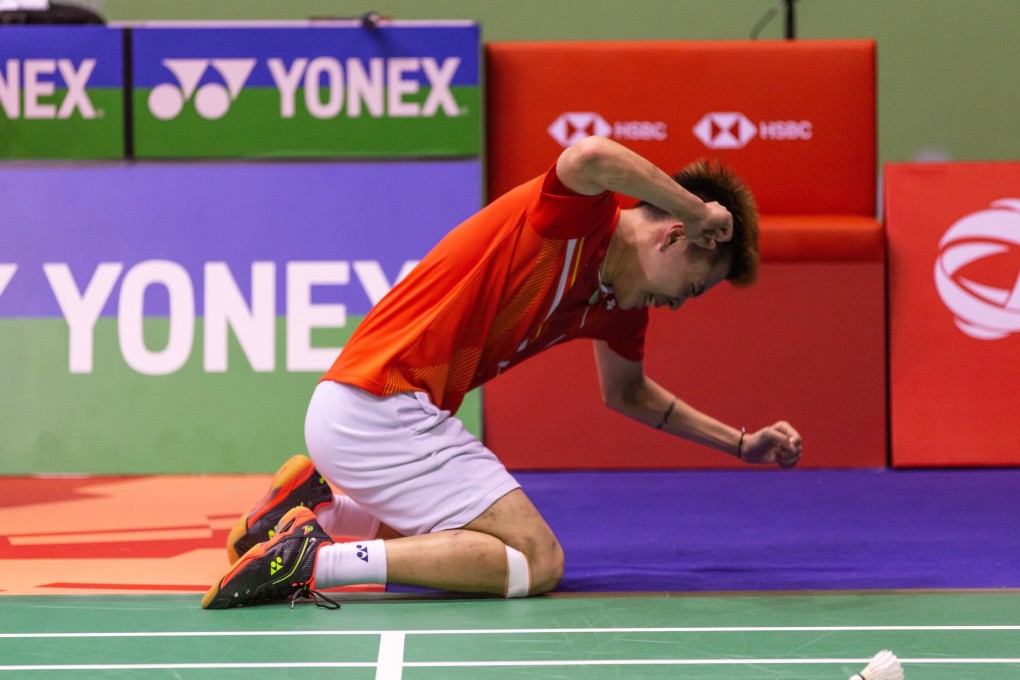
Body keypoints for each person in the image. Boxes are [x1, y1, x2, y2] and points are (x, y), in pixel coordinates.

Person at [202, 135, 803, 609]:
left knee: (456, 551)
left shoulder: (618, 305)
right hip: (384, 405)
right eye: (691, 289)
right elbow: (590, 154)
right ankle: (313, 560)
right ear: (676, 235)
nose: (677, 305)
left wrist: (741, 443)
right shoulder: (575, 219)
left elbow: (629, 393)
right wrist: (697, 207)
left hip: (364, 413)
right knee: (534, 561)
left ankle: (308, 516)